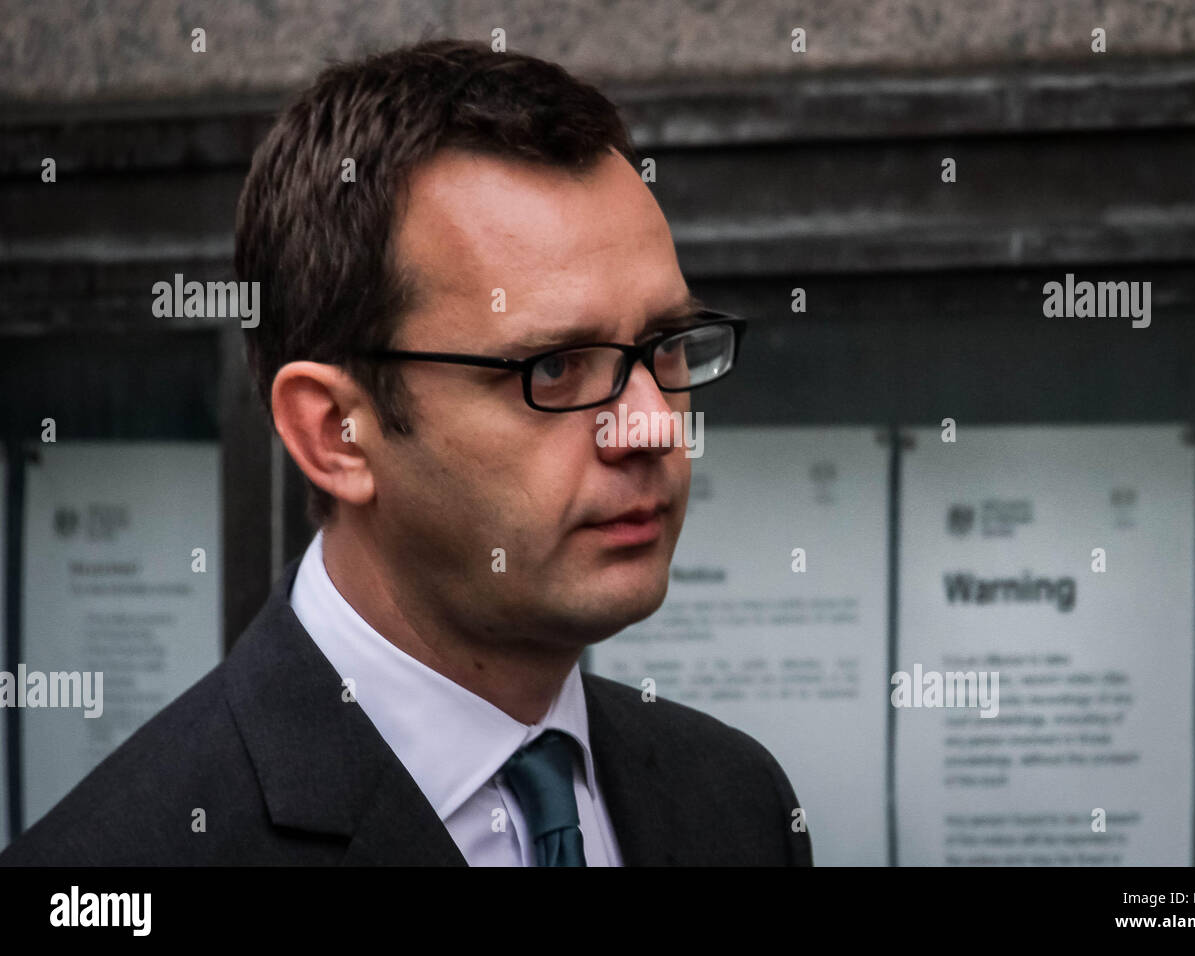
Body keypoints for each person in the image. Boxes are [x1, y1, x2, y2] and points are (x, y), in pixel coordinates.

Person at [0, 38, 811, 866]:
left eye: (668, 343)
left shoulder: (738, 804)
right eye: (554, 368)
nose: (652, 426)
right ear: (333, 434)